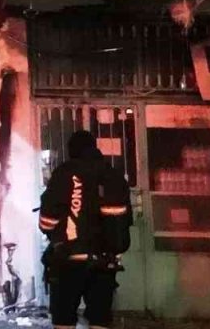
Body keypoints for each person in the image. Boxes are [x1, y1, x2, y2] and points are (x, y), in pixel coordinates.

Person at [38, 130, 133, 329]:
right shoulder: (112, 175)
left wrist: (56, 234)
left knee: (64, 318)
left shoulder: (63, 174)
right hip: (105, 262)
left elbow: (47, 222)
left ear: (71, 151)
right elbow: (125, 220)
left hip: (68, 260)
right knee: (100, 319)